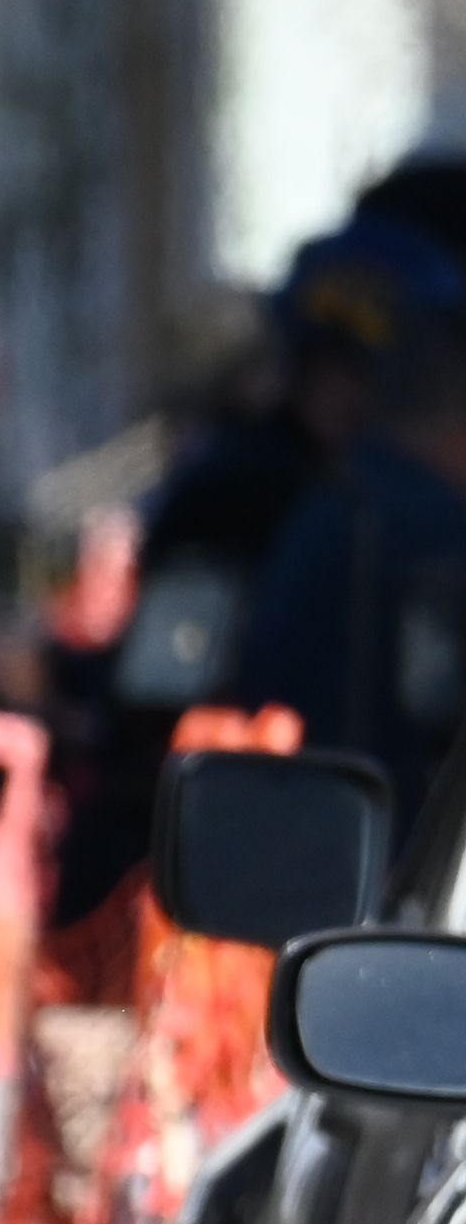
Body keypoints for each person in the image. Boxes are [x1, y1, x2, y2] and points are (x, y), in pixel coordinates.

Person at [236, 221, 466, 809]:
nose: (334, 402)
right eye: (318, 372)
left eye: (349, 373)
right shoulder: (397, 527)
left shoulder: (333, 514)